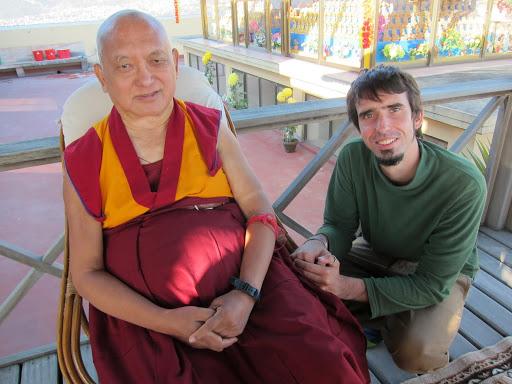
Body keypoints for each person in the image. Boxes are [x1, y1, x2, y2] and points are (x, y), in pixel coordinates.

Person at [62, 10, 370, 384]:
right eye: (124, 66)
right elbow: (86, 274)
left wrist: (246, 293)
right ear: (102, 78)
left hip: (255, 289)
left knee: (321, 366)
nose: (145, 78)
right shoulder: (84, 158)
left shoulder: (209, 126)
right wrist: (166, 321)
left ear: (175, 64)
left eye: (156, 60)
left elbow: (260, 211)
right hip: (151, 324)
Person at [292, 65, 486, 373]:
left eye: (394, 109)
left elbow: (433, 284)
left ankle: (385, 317)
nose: (382, 126)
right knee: (301, 280)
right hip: (377, 254)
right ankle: (386, 312)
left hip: (436, 270)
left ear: (417, 117)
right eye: (368, 114)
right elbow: (339, 226)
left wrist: (346, 288)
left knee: (415, 351)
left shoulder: (463, 183)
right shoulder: (353, 157)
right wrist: (319, 242)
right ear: (358, 125)